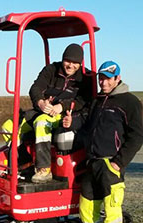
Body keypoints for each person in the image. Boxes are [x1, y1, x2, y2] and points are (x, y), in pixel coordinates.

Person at [63, 60, 143, 223]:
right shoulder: (98, 101)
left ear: (118, 78)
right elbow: (86, 122)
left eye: (108, 78)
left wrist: (119, 162)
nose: (103, 82)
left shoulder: (129, 102)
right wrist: (72, 122)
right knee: (87, 210)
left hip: (111, 165)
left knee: (111, 213)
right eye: (101, 78)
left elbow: (137, 137)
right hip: (92, 164)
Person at [28, 43, 94, 183]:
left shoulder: (86, 78)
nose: (71, 65)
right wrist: (40, 102)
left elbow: (84, 100)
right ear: (62, 59)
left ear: (81, 63)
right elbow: (35, 88)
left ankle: (44, 169)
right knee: (10, 126)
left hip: (66, 116)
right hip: (44, 111)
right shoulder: (50, 70)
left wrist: (61, 106)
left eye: (75, 63)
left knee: (41, 123)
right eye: (68, 61)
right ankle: (18, 165)